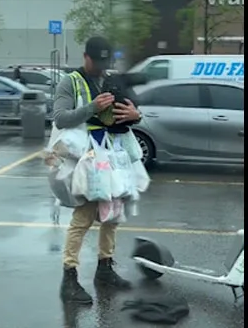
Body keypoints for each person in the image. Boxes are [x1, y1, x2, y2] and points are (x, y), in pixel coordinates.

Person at [52, 36, 141, 304]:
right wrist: (92, 107)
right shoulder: (71, 82)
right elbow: (59, 117)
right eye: (97, 61)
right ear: (85, 56)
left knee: (113, 214)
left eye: (106, 62)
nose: (102, 67)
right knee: (84, 217)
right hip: (85, 160)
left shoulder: (110, 79)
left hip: (113, 156)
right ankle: (69, 277)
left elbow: (131, 112)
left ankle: (105, 268)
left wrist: (136, 116)